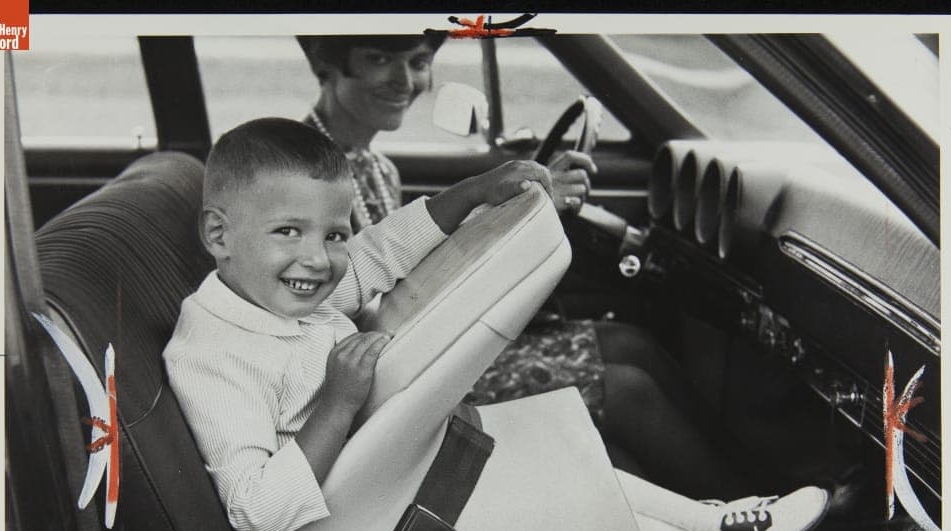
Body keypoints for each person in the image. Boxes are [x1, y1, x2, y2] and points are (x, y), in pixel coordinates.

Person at [163, 118, 874, 531]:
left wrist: (473, 192)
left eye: (331, 233)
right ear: (218, 234)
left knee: (553, 440)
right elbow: (256, 511)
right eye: (289, 231)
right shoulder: (212, 354)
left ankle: (716, 522)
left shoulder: (283, 291)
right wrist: (337, 405)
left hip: (393, 473)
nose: (317, 259)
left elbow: (379, 250)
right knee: (562, 488)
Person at [294, 33, 789, 502]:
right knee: (626, 388)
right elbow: (360, 293)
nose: (405, 80)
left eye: (419, 62)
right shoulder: (306, 171)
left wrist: (517, 201)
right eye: (381, 58)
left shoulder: (377, 166)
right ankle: (746, 508)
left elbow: (413, 266)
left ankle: (759, 483)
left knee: (631, 343)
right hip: (396, 376)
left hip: (427, 339)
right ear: (325, 63)